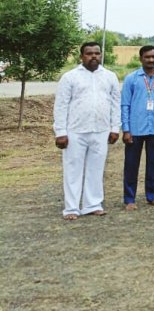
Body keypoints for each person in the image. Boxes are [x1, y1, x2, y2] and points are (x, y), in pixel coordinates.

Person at [53, 42, 120, 220]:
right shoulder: (70, 77)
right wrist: (60, 132)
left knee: (96, 169)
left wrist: (115, 128)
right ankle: (72, 208)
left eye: (97, 53)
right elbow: (61, 105)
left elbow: (115, 104)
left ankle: (92, 205)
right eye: (89, 53)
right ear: (81, 56)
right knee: (73, 169)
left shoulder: (110, 76)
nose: (93, 57)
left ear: (101, 55)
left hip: (101, 130)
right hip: (75, 131)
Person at [120, 45, 154, 210]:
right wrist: (126, 129)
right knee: (131, 165)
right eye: (147, 57)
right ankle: (129, 199)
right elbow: (125, 105)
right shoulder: (131, 78)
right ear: (141, 58)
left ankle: (152, 195)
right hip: (135, 129)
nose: (151, 60)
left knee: (153, 163)